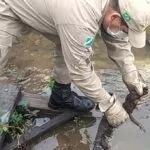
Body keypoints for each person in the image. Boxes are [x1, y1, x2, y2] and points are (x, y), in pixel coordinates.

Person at [0, 0, 149, 127]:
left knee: (72, 45)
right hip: (9, 4)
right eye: (125, 30)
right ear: (115, 16)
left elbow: (117, 40)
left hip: (58, 10)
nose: (124, 34)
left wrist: (130, 74)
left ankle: (60, 96)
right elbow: (80, 71)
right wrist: (108, 104)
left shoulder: (113, 5)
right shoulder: (81, 18)